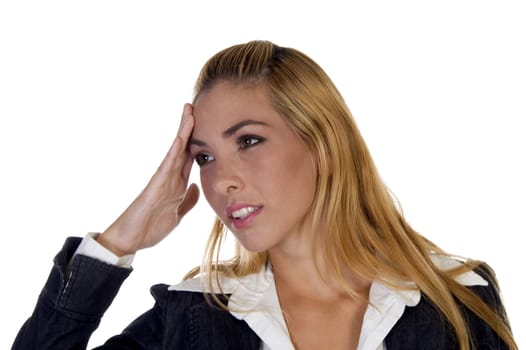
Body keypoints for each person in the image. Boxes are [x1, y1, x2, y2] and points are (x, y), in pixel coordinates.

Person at [12, 40, 516, 350]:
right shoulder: (192, 315)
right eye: (204, 156)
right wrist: (119, 243)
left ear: (323, 145)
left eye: (248, 141)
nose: (220, 180)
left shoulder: (456, 296)